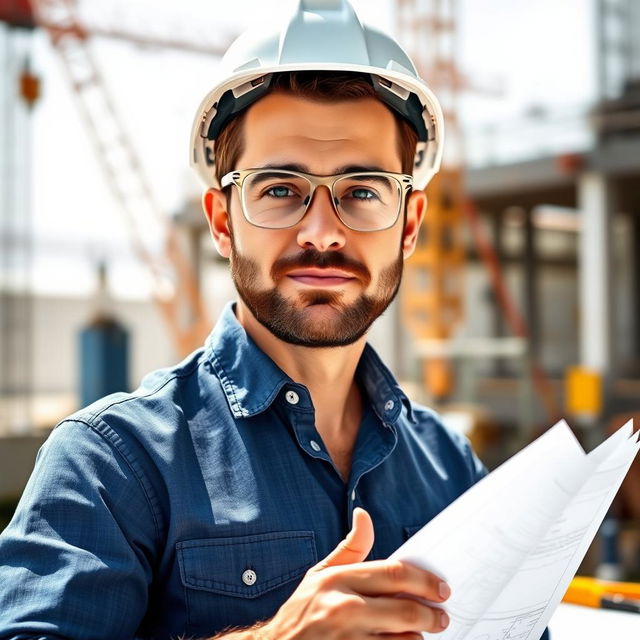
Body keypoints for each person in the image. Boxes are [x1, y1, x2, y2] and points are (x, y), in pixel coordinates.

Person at [0, 1, 549, 639]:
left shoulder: (450, 467)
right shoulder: (113, 464)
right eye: (280, 189)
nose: (322, 232)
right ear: (223, 220)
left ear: (411, 224)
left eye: (364, 190)